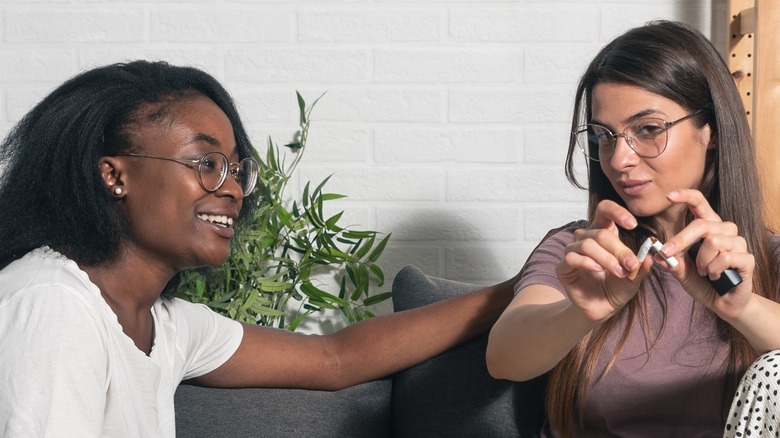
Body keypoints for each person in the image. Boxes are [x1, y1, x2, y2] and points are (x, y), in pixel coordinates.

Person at [0, 60, 518, 437]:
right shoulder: (54, 305)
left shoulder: (165, 324)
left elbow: (334, 360)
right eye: (205, 162)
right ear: (115, 175)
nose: (231, 188)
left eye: (235, 168)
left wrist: (523, 287)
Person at [485, 20, 780, 437]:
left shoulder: (766, 259)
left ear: (710, 131)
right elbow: (504, 358)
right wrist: (579, 312)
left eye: (647, 129)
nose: (619, 159)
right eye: (605, 135)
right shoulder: (581, 250)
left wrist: (742, 309)